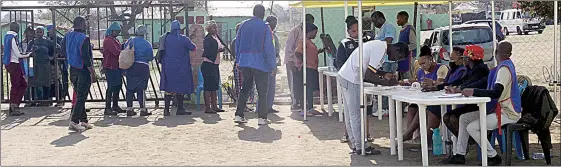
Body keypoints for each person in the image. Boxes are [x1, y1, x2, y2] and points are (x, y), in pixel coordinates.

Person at [445, 41, 521, 166]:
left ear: (496, 53)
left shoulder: (503, 70)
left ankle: (493, 156)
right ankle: (460, 154)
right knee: (463, 118)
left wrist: (474, 91)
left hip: (507, 113)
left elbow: (496, 93)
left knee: (472, 127)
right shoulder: (504, 66)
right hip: (499, 109)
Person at [338, 39, 409, 155]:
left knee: (350, 113)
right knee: (356, 114)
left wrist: (383, 74)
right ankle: (361, 147)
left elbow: (369, 69)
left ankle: (356, 145)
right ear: (397, 50)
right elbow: (368, 76)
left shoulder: (379, 45)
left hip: (346, 75)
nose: (395, 60)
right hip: (351, 78)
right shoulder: (381, 50)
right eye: (398, 57)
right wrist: (388, 83)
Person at [234, 4, 276, 125]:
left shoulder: (243, 25)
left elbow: (237, 43)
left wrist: (238, 60)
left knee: (245, 88)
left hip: (245, 62)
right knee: (262, 91)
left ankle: (239, 114)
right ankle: (262, 118)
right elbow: (269, 48)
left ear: (253, 12)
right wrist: (272, 66)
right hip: (260, 63)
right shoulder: (265, 27)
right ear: (263, 14)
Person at [441, 45, 490, 143]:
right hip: (471, 104)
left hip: (480, 106)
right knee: (447, 117)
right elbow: (459, 81)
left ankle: (470, 141)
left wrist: (458, 89)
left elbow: (473, 83)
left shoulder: (481, 69)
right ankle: (465, 142)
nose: (463, 60)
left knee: (454, 118)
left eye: (464, 58)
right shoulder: (470, 69)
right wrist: (441, 86)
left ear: (469, 58)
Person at [403, 46, 450, 145]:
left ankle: (422, 138)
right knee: (412, 107)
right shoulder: (420, 71)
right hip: (425, 98)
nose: (422, 66)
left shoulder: (441, 68)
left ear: (431, 59)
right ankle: (411, 135)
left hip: (440, 101)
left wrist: (432, 83)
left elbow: (440, 83)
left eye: (424, 63)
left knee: (427, 109)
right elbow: (418, 82)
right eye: (420, 64)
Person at [63, 16, 97, 131]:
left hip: (72, 68)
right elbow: (86, 57)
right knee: (82, 96)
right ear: (82, 24)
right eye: (85, 23)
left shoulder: (68, 36)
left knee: (79, 95)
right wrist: (92, 73)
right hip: (83, 70)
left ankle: (84, 120)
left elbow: (63, 50)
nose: (87, 26)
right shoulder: (84, 38)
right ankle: (74, 120)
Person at [159, 20, 197, 116]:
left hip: (168, 66)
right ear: (179, 29)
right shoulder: (183, 39)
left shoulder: (165, 38)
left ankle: (166, 110)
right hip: (181, 67)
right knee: (180, 87)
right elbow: (194, 48)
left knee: (168, 88)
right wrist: (190, 39)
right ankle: (180, 109)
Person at [123, 25, 154, 116]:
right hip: (143, 67)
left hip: (131, 66)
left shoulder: (130, 41)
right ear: (144, 34)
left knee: (130, 88)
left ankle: (129, 109)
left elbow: (125, 51)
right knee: (141, 89)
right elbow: (150, 57)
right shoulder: (147, 44)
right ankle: (143, 109)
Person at [285, 14, 314, 112]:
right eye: (310, 22)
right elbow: (289, 46)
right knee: (293, 83)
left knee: (300, 84)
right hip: (293, 61)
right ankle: (294, 103)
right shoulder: (296, 30)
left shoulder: (306, 32)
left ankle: (301, 102)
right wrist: (289, 60)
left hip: (302, 63)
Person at [294, 23, 323, 117]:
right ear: (309, 32)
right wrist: (304, 61)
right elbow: (297, 52)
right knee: (306, 89)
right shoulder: (304, 42)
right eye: (314, 33)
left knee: (310, 89)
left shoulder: (309, 42)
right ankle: (304, 109)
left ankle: (310, 108)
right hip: (307, 68)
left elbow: (311, 53)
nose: (315, 35)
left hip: (312, 68)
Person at [371, 11, 397, 116]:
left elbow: (388, 41)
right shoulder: (381, 29)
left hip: (389, 60)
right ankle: (384, 107)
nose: (374, 23)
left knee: (386, 84)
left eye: (375, 21)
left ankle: (386, 108)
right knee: (382, 84)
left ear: (381, 18)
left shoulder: (389, 27)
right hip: (383, 60)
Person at [3, 22, 31, 116]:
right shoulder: (13, 38)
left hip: (10, 62)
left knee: (20, 84)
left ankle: (14, 105)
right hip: (14, 63)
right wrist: (28, 54)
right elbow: (18, 54)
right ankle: (14, 106)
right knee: (17, 85)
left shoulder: (7, 37)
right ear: (16, 29)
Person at [101, 22, 127, 116]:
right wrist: (124, 52)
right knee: (111, 87)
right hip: (110, 66)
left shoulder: (115, 40)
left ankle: (115, 105)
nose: (117, 33)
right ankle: (107, 107)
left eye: (118, 31)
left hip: (116, 66)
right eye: (116, 31)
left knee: (118, 86)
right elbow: (116, 52)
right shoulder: (108, 40)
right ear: (112, 31)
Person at [201, 20, 226, 114]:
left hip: (215, 64)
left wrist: (221, 49)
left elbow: (220, 46)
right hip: (208, 64)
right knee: (208, 86)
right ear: (208, 29)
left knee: (214, 86)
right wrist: (217, 50)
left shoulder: (216, 37)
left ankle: (215, 106)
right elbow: (208, 52)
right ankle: (207, 107)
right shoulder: (207, 39)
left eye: (216, 27)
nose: (216, 29)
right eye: (213, 27)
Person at [28, 26, 56, 107]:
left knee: (46, 82)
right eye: (37, 32)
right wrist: (32, 51)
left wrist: (51, 57)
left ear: (43, 33)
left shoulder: (48, 42)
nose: (38, 33)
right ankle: (34, 100)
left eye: (40, 32)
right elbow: (27, 52)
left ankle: (45, 100)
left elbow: (57, 49)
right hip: (34, 65)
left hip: (45, 65)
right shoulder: (32, 42)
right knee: (33, 83)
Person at [259, 15, 281, 113]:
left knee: (271, 86)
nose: (275, 25)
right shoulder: (264, 33)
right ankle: (260, 107)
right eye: (273, 23)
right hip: (266, 63)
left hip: (273, 61)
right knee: (264, 86)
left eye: (276, 23)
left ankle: (269, 106)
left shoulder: (272, 34)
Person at [232, 23, 254, 112]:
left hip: (246, 65)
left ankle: (244, 105)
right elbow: (235, 54)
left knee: (246, 86)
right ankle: (241, 106)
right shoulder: (236, 41)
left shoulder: (244, 40)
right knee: (240, 86)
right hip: (239, 65)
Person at [47, 25, 68, 107]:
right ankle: (50, 99)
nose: (51, 32)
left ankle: (60, 99)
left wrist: (57, 56)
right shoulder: (47, 39)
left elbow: (61, 50)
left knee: (58, 80)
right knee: (50, 81)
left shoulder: (59, 39)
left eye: (52, 30)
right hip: (49, 63)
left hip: (58, 63)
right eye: (50, 30)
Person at [396, 11, 417, 80]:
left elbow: (413, 44)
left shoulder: (409, 29)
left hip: (409, 58)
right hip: (402, 58)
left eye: (398, 18)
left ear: (403, 18)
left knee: (409, 78)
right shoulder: (402, 30)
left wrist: (403, 49)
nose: (397, 20)